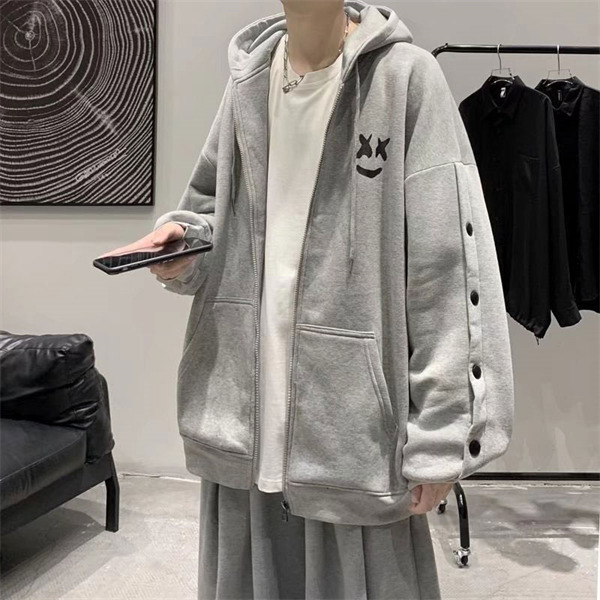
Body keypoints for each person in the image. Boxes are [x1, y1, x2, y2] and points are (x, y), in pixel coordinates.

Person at [145, 0, 514, 598]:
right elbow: (210, 211)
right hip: (243, 415)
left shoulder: (405, 78)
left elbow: (446, 266)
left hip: (355, 435)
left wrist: (443, 433)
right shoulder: (248, 80)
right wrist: (183, 246)